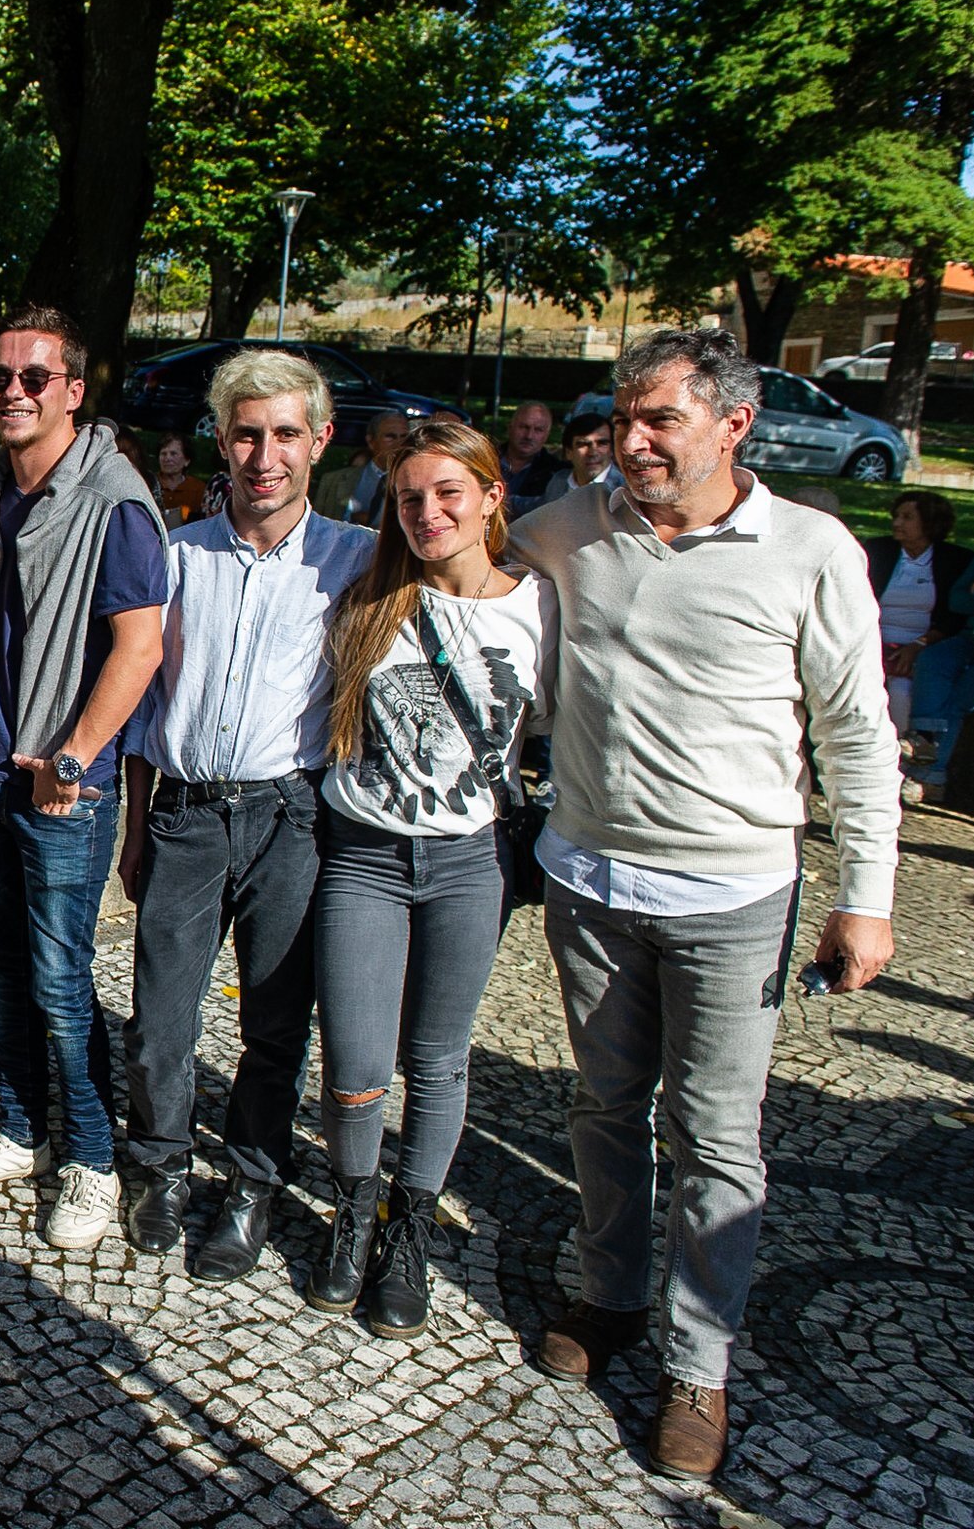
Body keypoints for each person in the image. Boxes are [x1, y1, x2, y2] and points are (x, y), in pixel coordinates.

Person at [510, 327, 898, 1483]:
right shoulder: (569, 527)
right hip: (590, 880)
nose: (628, 442)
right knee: (602, 1105)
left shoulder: (808, 550)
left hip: (734, 890)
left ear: (733, 424)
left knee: (716, 1135)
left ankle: (697, 1363)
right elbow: (464, 565)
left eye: (657, 420)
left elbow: (855, 733)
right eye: (620, 418)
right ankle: (609, 1293)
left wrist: (864, 895)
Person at [116, 348, 375, 1272]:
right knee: (159, 1020)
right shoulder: (177, 555)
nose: (265, 457)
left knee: (274, 1023)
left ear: (319, 441)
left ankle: (253, 1182)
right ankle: (158, 1164)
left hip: (289, 817)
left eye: (285, 435)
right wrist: (135, 826)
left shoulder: (353, 559)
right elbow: (144, 699)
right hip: (184, 812)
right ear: (221, 442)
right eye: (247, 435)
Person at [0, 305, 167, 1253]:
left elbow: (139, 647)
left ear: (73, 389)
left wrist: (73, 757)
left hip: (61, 783)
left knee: (62, 982)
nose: (12, 392)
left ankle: (92, 1163)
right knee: (3, 970)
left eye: (34, 377)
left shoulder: (114, 501)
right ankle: (24, 1130)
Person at [308, 419, 555, 1337]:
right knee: (356, 1061)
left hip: (467, 861)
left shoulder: (537, 610)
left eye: (448, 492)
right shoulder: (369, 598)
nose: (426, 512)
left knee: (438, 1058)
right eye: (408, 497)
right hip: (364, 857)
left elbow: (563, 730)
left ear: (492, 497)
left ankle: (408, 1225)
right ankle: (352, 1209)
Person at [863, 489, 969, 736]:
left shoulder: (954, 560)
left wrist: (919, 645)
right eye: (896, 516)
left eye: (907, 517)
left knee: (901, 690)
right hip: (872, 640)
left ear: (930, 523)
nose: (897, 523)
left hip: (923, 645)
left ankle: (899, 746)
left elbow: (953, 617)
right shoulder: (877, 550)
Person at [905, 538, 974, 800]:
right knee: (933, 659)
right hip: (971, 639)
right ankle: (923, 740)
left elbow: (971, 593)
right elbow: (957, 599)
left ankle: (930, 776)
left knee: (958, 700)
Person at [496, 400, 563, 504]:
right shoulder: (486, 460)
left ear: (547, 435)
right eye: (524, 427)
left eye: (538, 430)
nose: (529, 436)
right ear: (510, 428)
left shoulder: (555, 473)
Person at [152, 431, 203, 526]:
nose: (167, 458)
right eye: (163, 454)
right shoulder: (149, 483)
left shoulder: (198, 489)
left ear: (187, 460)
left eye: (173, 454)